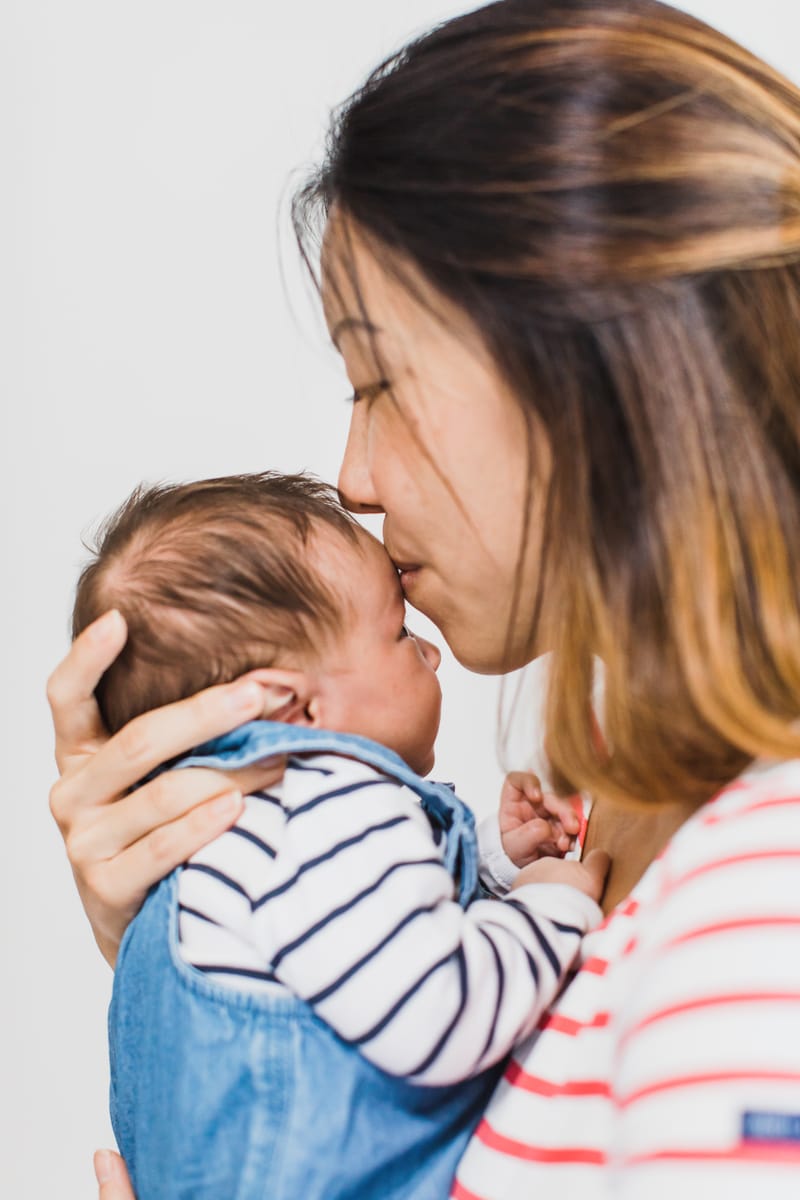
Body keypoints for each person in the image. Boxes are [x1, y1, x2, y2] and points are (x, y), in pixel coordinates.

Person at [47, 0, 800, 1196]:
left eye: (378, 380)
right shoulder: (606, 812)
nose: (352, 478)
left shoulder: (760, 893)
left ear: (595, 368)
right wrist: (207, 961)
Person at [72, 470, 607, 1199]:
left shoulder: (235, 839)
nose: (432, 653)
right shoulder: (330, 807)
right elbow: (436, 1012)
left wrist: (492, 858)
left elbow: (371, 942)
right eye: (399, 634)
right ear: (296, 709)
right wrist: (548, 906)